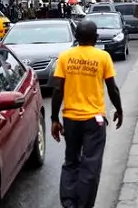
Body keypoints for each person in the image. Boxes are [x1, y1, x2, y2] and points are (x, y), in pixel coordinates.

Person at [50, 20, 123, 208]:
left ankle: (68, 202)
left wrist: (54, 119)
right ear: (96, 38)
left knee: (71, 161)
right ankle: (84, 205)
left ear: (76, 37)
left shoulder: (65, 57)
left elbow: (57, 89)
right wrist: (119, 109)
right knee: (91, 165)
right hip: (95, 120)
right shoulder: (103, 57)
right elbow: (112, 89)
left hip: (71, 119)